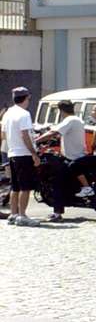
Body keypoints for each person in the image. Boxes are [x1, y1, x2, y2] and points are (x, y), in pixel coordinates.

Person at [35, 100, 88, 222]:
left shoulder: (70, 120)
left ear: (61, 111)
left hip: (72, 157)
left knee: (56, 182)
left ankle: (57, 214)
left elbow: (54, 132)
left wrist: (36, 141)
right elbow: (58, 132)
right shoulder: (76, 120)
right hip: (76, 155)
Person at [1, 87, 40, 227]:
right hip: (23, 154)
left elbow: (3, 135)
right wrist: (34, 153)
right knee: (25, 187)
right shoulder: (24, 114)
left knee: (15, 187)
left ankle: (13, 214)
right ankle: (22, 215)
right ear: (26, 98)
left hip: (12, 153)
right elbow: (25, 135)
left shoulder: (8, 113)